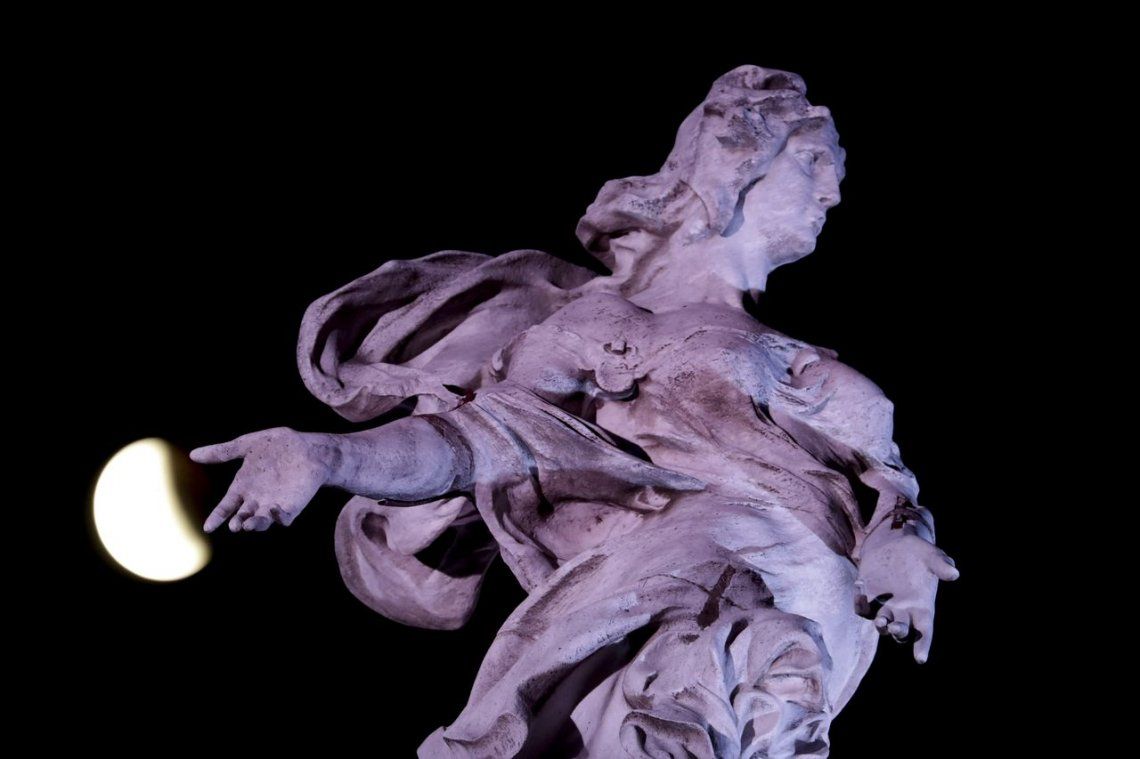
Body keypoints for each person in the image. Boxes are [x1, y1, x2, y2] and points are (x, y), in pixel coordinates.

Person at [191, 65, 958, 758]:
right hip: (684, 605)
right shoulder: (602, 326)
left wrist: (903, 544)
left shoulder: (806, 360)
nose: (832, 193)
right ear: (740, 159)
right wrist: (323, 454)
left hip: (802, 646)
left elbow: (887, 489)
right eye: (815, 162)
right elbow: (483, 440)